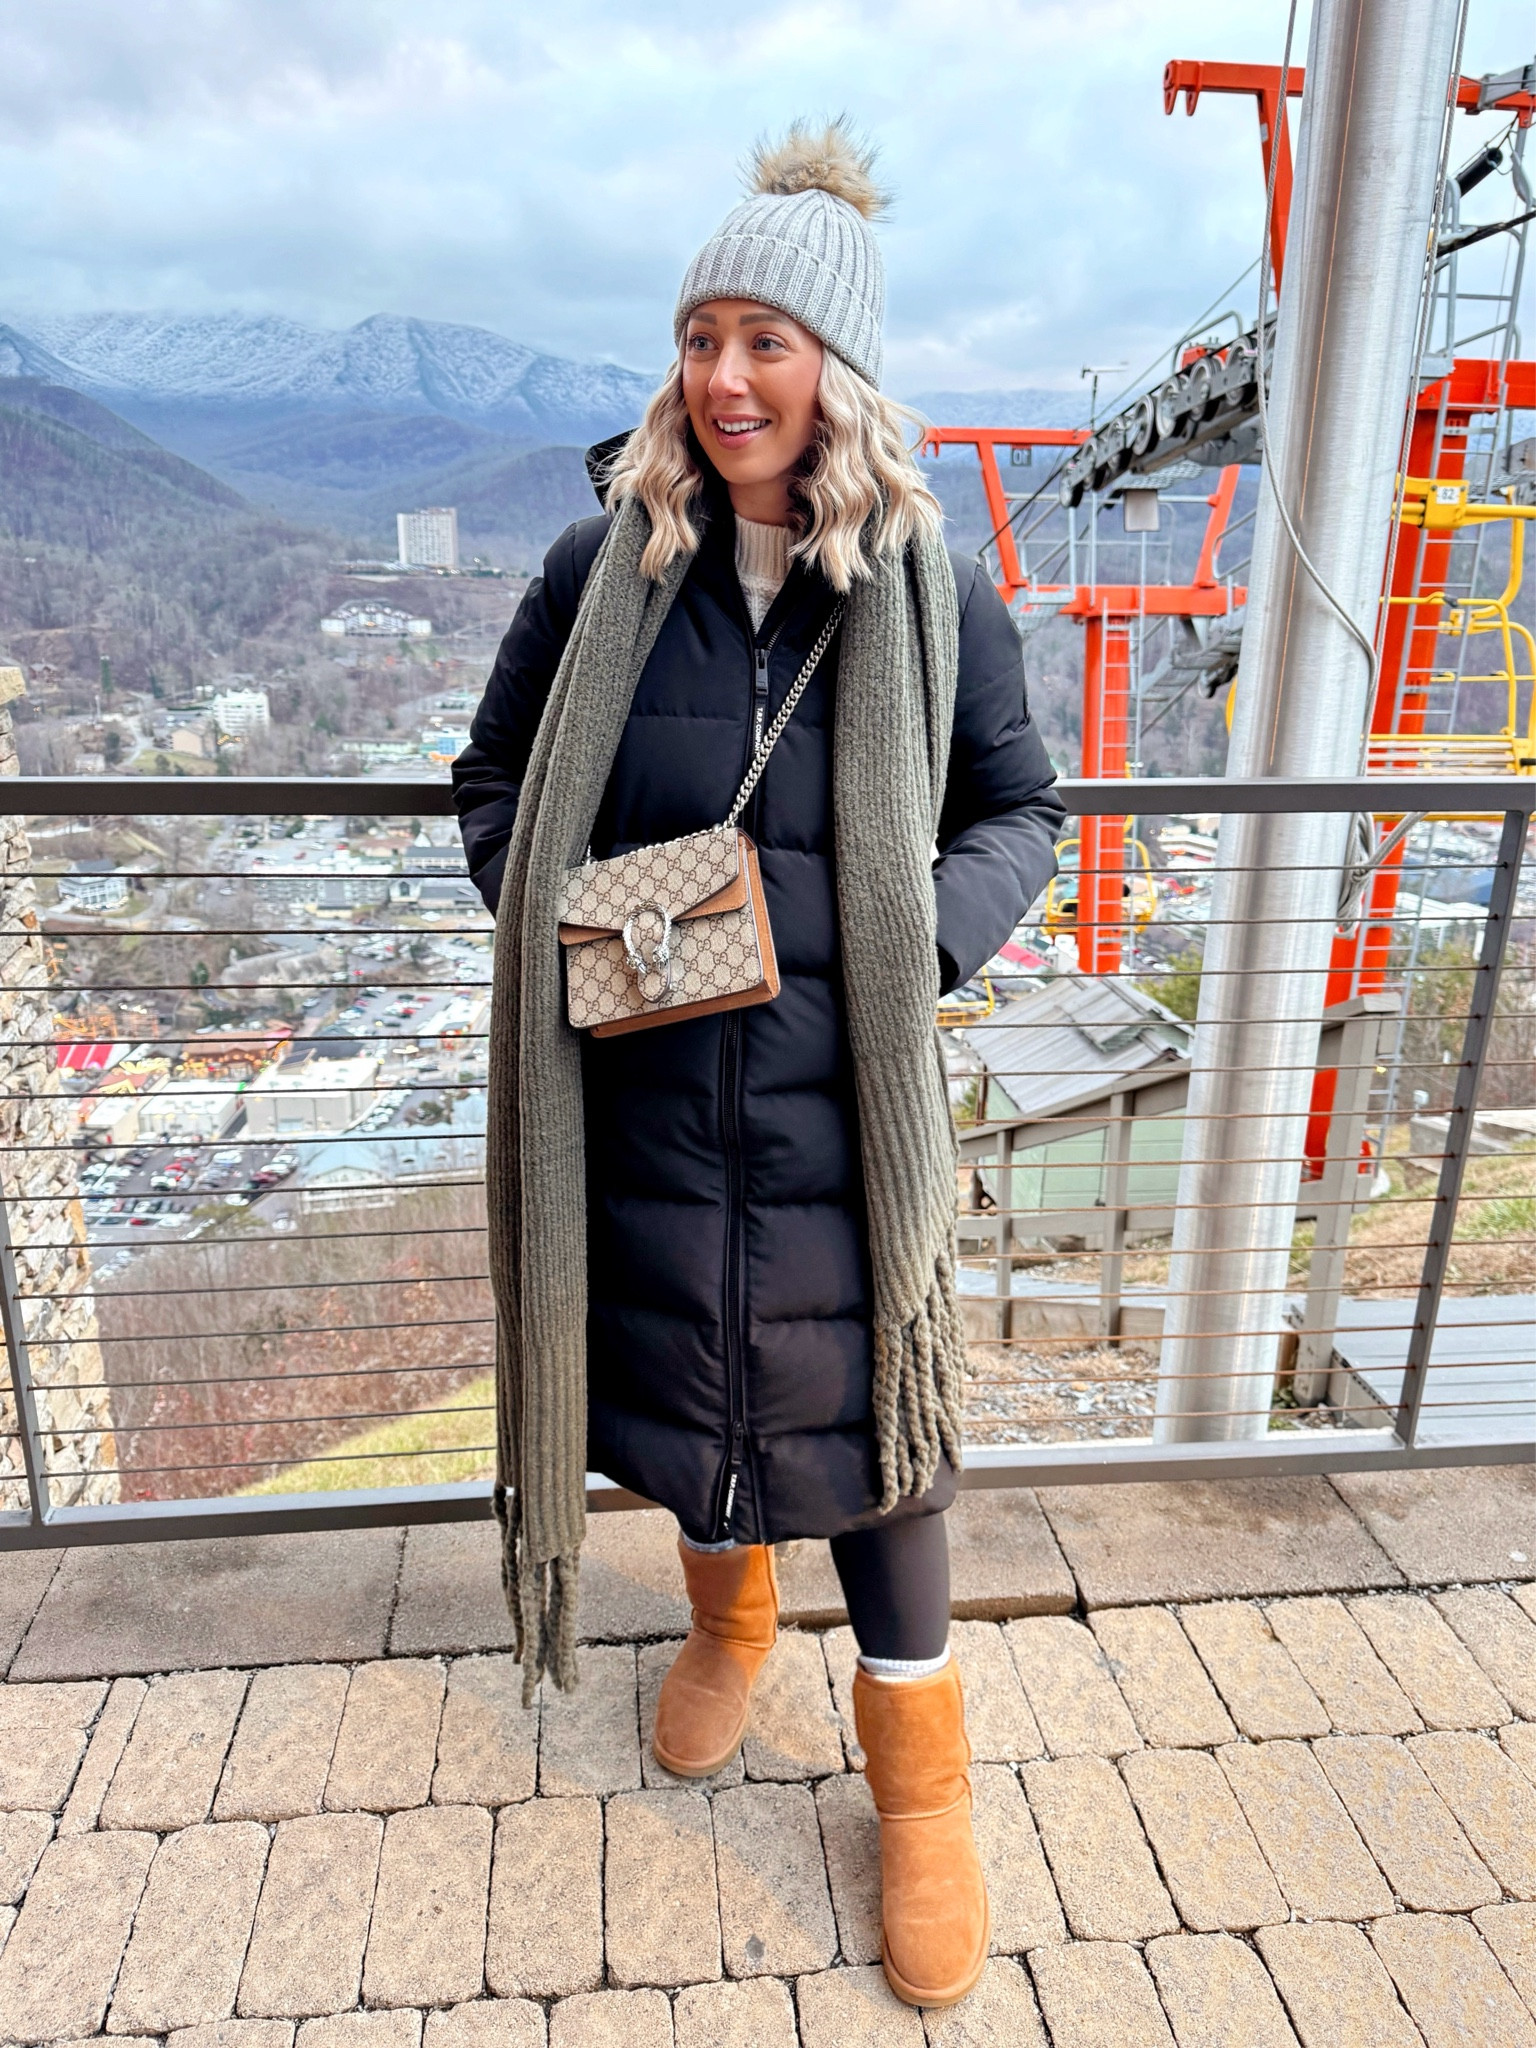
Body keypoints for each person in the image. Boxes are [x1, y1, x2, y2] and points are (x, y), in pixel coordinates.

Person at [453, 118, 1063, 2009]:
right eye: (702, 337)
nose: (724, 380)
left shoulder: (932, 598)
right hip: (633, 1102)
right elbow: (493, 794)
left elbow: (1019, 814)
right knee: (676, 1404)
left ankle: (926, 1798)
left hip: (839, 1121)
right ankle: (729, 1630)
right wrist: (583, 933)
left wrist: (909, 949)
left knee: (880, 1452)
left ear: (838, 372)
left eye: (767, 343)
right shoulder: (596, 570)